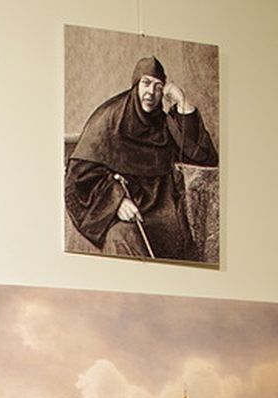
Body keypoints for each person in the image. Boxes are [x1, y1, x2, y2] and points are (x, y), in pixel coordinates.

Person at [65, 55, 218, 262]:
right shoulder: (109, 118)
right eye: (146, 83)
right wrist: (117, 201)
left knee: (179, 244)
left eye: (158, 87)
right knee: (124, 237)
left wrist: (183, 103)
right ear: (136, 85)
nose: (151, 93)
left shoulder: (161, 121)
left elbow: (203, 157)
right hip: (121, 208)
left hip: (160, 210)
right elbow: (78, 176)